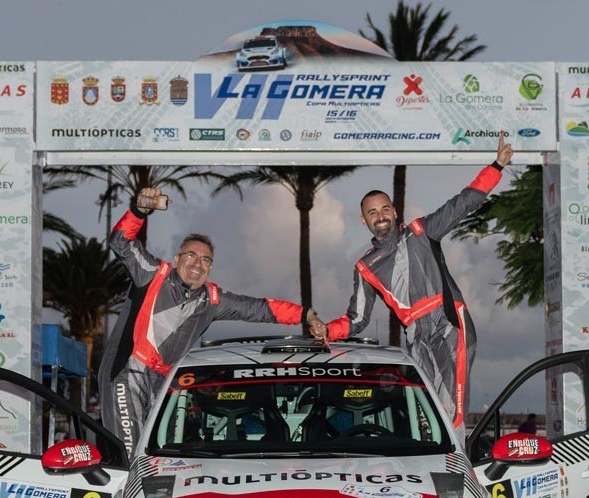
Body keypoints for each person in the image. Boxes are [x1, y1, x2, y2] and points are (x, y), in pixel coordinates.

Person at [100, 186, 325, 455]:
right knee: (130, 454)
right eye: (191, 255)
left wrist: (306, 315)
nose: (198, 263)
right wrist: (138, 211)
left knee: (156, 455)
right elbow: (120, 242)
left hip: (162, 380)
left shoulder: (214, 299)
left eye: (206, 259)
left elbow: (259, 309)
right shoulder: (152, 274)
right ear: (177, 259)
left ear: (210, 267)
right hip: (128, 372)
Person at [312, 135, 514, 434]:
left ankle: (457, 473)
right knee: (426, 409)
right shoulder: (365, 267)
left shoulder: (421, 231)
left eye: (384, 209)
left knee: (450, 409)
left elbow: (463, 203)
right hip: (416, 335)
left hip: (447, 323)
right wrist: (327, 330)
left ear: (394, 212)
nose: (379, 216)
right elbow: (357, 319)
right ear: (363, 220)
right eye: (372, 212)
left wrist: (496, 166)